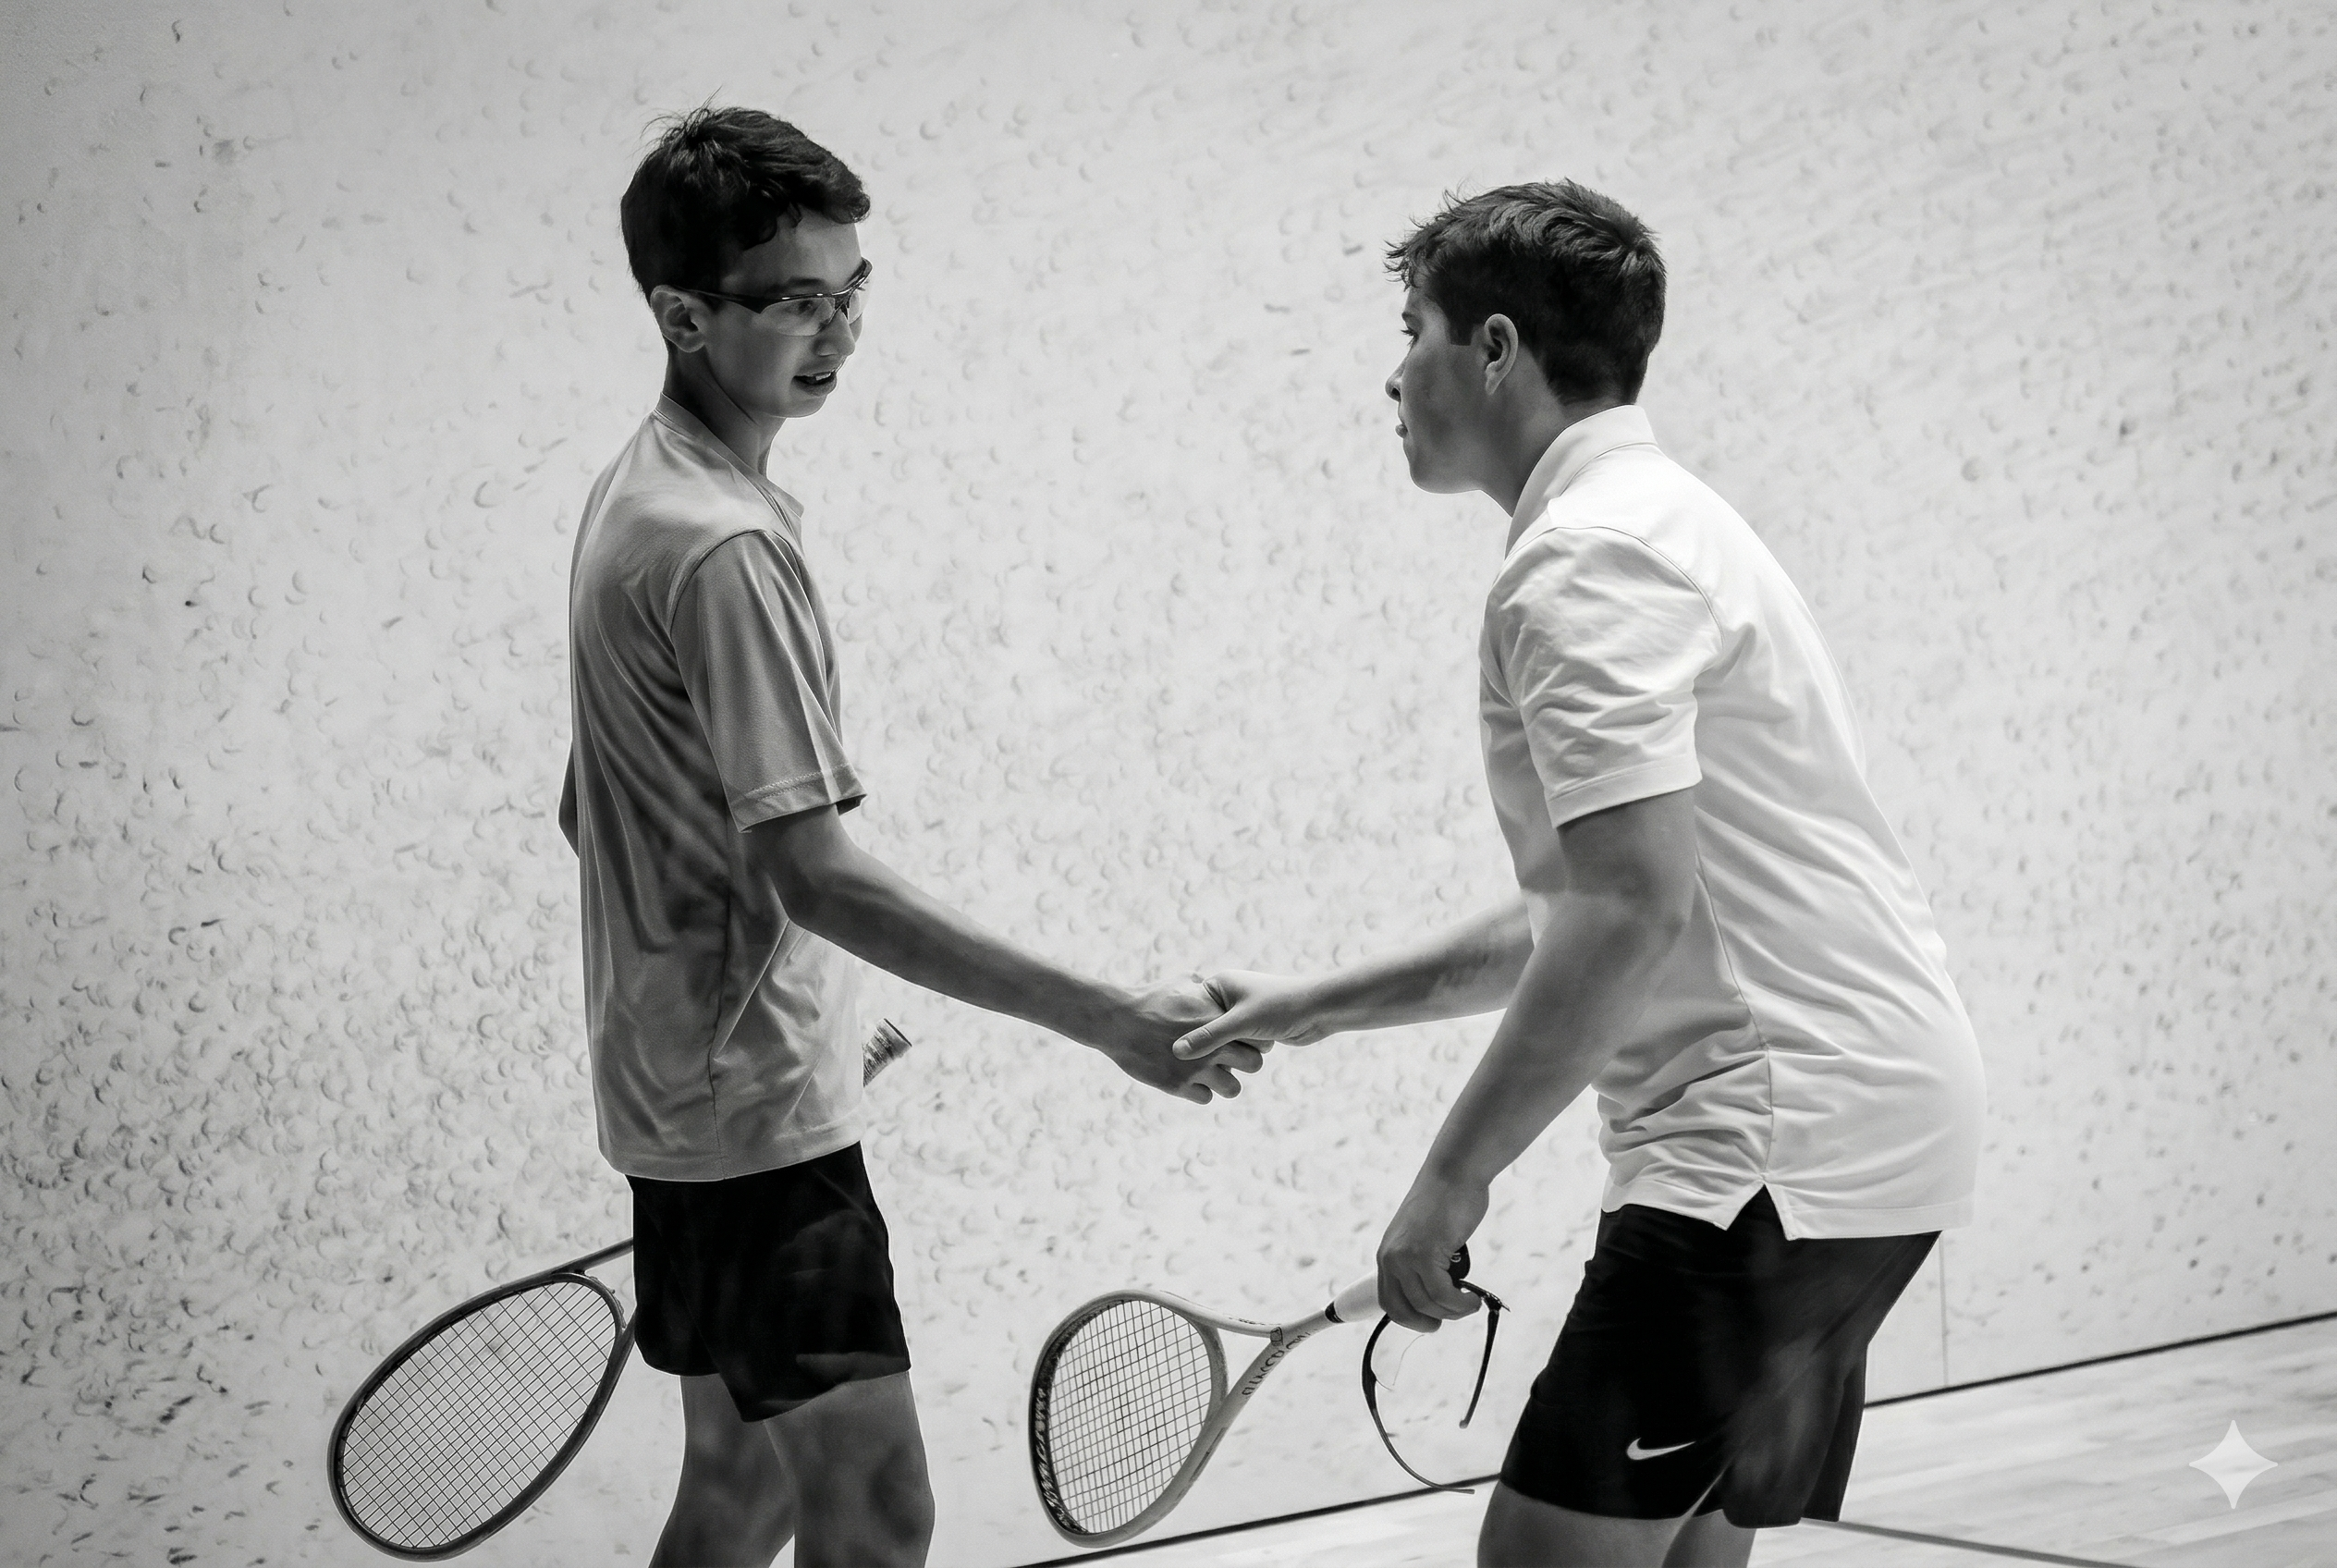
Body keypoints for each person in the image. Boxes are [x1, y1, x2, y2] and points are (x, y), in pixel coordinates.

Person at [1172, 182, 1986, 1568]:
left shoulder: (1585, 562)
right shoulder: (1670, 521)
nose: (1393, 374)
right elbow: (1604, 898)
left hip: (1765, 1156)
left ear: (1496, 348)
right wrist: (1316, 1005)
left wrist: (1450, 1182)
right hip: (1870, 1139)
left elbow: (1627, 909)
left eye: (1415, 330)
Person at [558, 105, 1261, 1568]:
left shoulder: (643, 491)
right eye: (794, 302)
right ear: (683, 316)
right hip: (747, 1128)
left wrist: (760, 1025)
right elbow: (810, 874)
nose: (838, 332)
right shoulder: (725, 546)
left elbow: (598, 809)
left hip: (691, 1098)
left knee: (741, 1490)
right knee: (878, 1514)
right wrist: (1108, 1017)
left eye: (853, 288)